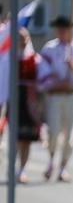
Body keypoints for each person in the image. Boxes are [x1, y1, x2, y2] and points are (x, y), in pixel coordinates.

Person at [37, 15, 73, 183]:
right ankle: (52, 160)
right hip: (55, 95)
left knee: (70, 133)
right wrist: (57, 82)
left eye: (65, 29)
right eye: (59, 29)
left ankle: (63, 167)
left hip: (72, 96)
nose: (62, 32)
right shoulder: (49, 49)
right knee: (53, 131)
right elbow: (43, 74)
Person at [10, 29, 43, 182]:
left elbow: (42, 81)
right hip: (14, 100)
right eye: (19, 38)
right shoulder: (8, 59)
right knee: (15, 137)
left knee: (27, 138)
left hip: (29, 101)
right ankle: (12, 167)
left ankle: (22, 169)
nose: (21, 41)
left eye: (24, 38)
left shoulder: (35, 59)